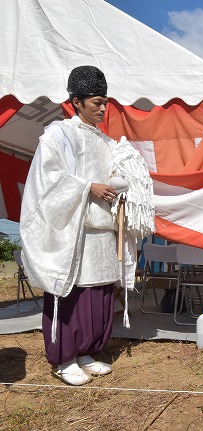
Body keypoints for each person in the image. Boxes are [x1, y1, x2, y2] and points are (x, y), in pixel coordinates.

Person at [20, 66, 120, 386]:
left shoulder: (107, 142)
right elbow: (46, 179)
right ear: (76, 102)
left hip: (101, 226)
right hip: (72, 229)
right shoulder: (58, 134)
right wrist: (88, 186)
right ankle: (64, 358)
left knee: (99, 291)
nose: (104, 108)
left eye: (106, 102)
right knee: (72, 291)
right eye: (97, 102)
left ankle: (88, 350)